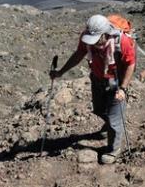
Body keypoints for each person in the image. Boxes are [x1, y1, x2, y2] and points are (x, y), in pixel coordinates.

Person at [50, 15, 136, 164]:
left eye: (96, 38)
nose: (93, 42)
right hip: (97, 79)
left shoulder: (122, 41)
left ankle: (113, 150)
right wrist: (61, 72)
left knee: (114, 121)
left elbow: (130, 64)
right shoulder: (87, 37)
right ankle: (111, 123)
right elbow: (78, 55)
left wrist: (123, 88)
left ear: (105, 33)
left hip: (116, 82)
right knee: (99, 109)